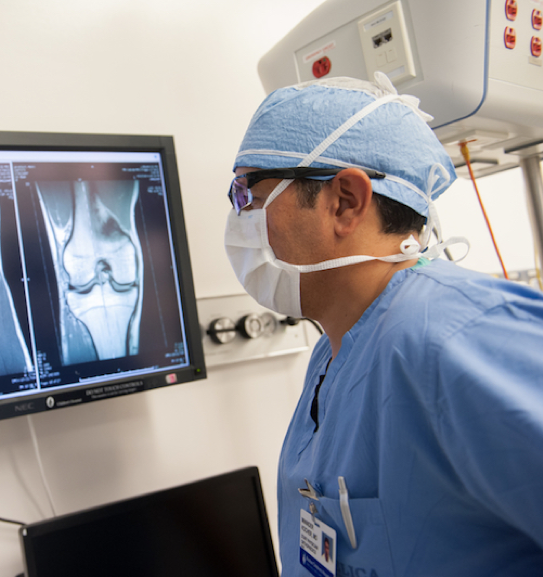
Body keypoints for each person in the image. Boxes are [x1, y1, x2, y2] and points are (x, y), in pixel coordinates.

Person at [224, 72, 543, 576]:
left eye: (249, 194)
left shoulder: (455, 338)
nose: (239, 218)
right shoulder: (337, 350)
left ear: (346, 201)